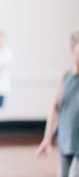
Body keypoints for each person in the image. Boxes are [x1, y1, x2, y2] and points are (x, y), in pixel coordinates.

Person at [36, 31, 79, 177]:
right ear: (73, 50)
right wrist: (47, 138)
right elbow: (54, 108)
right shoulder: (65, 77)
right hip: (65, 142)